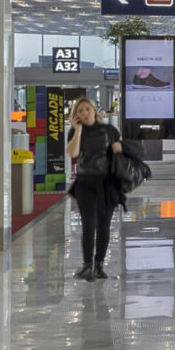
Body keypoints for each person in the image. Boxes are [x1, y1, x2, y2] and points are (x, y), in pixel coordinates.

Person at [64, 98, 126, 281]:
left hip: (107, 183)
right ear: (76, 115)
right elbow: (73, 153)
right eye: (80, 110)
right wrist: (78, 130)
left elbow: (120, 153)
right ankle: (87, 265)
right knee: (88, 225)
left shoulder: (109, 130)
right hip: (85, 183)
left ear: (94, 110)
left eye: (87, 109)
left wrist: (118, 151)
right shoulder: (74, 132)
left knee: (104, 224)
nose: (84, 113)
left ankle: (99, 264)